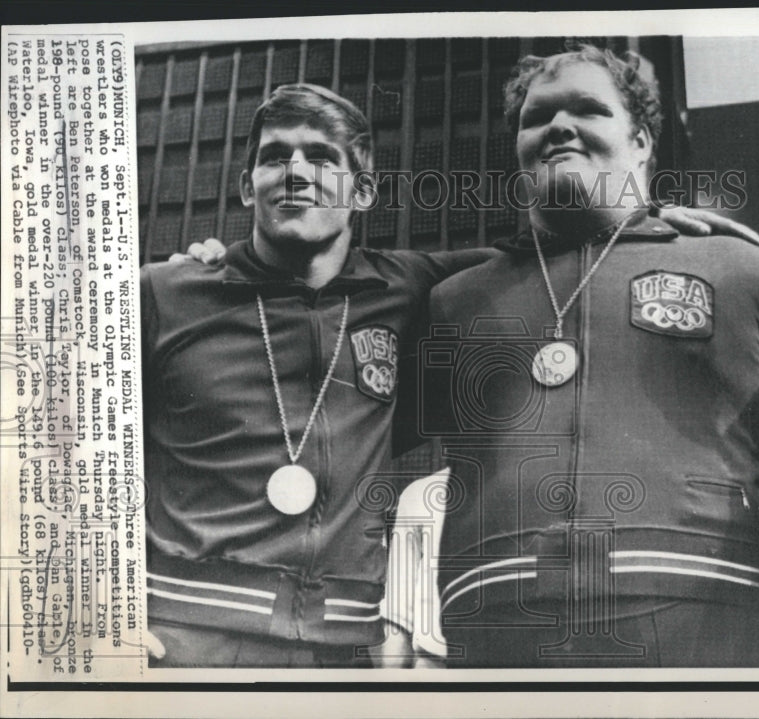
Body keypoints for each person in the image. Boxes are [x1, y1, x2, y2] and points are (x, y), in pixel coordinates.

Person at [421, 45, 759, 667]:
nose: (559, 127)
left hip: (701, 621)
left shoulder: (741, 269)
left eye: (588, 109)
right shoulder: (454, 300)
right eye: (538, 118)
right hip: (498, 629)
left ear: (641, 141)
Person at [141, 84, 497, 667]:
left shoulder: (407, 288)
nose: (295, 172)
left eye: (322, 157)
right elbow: (47, 450)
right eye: (275, 156)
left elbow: (543, 256)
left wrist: (652, 222)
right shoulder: (164, 291)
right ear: (246, 185)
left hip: (342, 651)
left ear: (364, 190)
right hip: (185, 635)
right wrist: (88, 615)